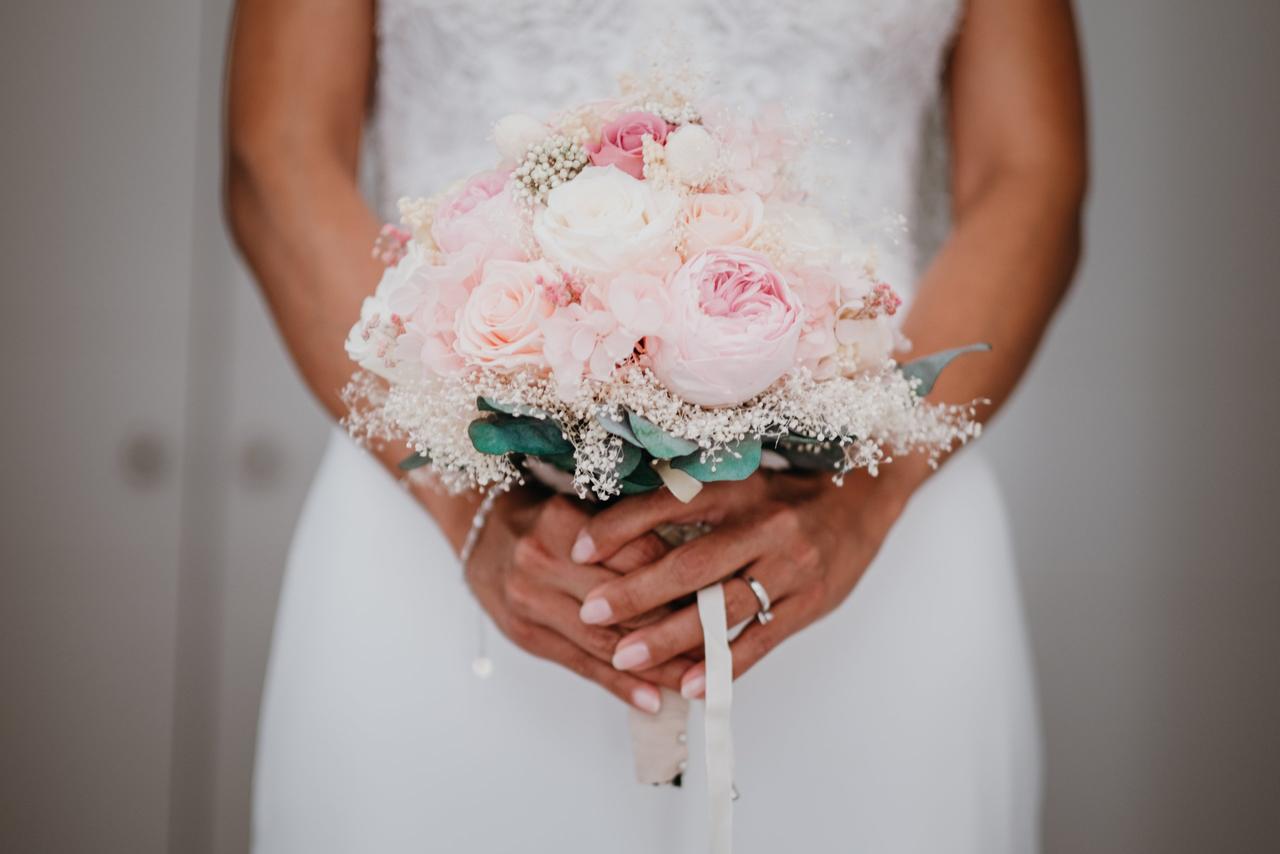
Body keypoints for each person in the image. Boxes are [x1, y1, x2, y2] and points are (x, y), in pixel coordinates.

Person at [226, 0, 1086, 850]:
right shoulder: (453, 511)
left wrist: (870, 493)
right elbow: (278, 152)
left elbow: (1031, 172)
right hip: (434, 524)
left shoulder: (873, 507)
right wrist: (467, 509)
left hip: (873, 537)